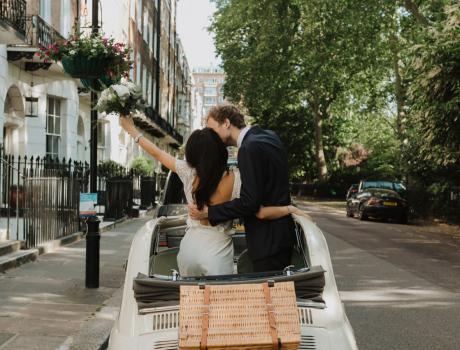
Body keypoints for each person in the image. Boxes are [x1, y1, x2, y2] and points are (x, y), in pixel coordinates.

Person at [119, 115, 306, 277]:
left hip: (189, 248)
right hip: (217, 251)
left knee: (190, 302)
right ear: (220, 151)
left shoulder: (187, 171)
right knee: (217, 308)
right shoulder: (236, 179)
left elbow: (157, 153)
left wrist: (132, 130)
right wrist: (289, 208)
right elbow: (259, 212)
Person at [189, 104, 297, 272]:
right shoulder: (269, 136)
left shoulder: (247, 148)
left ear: (226, 123)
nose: (210, 136)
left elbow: (250, 202)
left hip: (266, 240)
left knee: (268, 296)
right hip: (282, 235)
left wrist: (209, 213)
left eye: (212, 129)